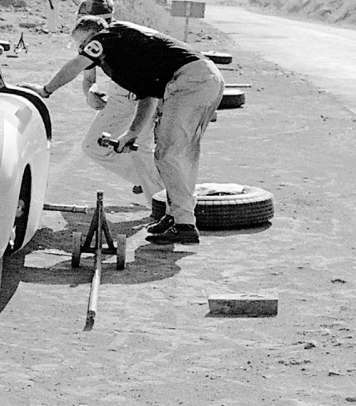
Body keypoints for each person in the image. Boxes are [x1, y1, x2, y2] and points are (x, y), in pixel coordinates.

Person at [21, 15, 224, 244]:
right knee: (179, 152)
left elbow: (77, 66)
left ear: (92, 36)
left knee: (169, 154)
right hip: (203, 78)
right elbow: (148, 97)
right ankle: (175, 215)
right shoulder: (125, 54)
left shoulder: (108, 36)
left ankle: (184, 224)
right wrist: (132, 134)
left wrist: (46, 90)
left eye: (82, 44)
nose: (82, 50)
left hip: (191, 80)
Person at [74, 0, 165, 201]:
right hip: (117, 96)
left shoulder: (125, 34)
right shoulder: (87, 38)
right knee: (92, 146)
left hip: (144, 96)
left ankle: (161, 205)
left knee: (141, 151)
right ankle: (148, 181)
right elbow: (89, 79)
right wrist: (90, 93)